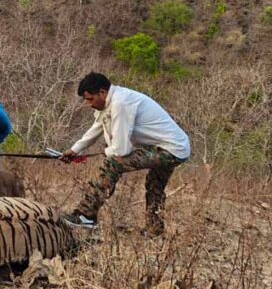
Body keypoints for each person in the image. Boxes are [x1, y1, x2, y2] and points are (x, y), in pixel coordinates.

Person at [61, 72, 190, 236]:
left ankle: (86, 214)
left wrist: (104, 152)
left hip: (170, 149)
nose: (88, 104)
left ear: (102, 92)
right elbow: (97, 128)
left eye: (90, 99)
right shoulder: (112, 102)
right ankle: (154, 229)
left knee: (113, 163)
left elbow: (121, 151)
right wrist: (74, 150)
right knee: (154, 185)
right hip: (177, 147)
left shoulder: (120, 104)